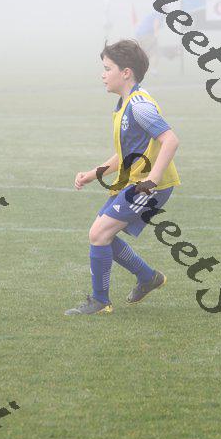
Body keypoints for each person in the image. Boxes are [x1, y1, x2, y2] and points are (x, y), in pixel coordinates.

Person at [65, 40, 180, 316]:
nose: (103, 74)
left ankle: (100, 301)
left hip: (148, 186)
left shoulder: (139, 105)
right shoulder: (124, 104)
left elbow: (170, 140)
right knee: (102, 234)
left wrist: (152, 180)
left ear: (126, 72)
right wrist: (94, 174)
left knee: (99, 234)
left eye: (108, 69)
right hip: (132, 181)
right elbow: (126, 152)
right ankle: (148, 277)